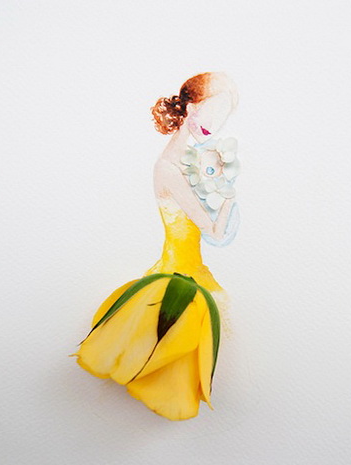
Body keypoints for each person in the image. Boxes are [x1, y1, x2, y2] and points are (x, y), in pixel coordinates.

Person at [74, 72, 240, 421]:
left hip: (184, 270)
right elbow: (213, 231)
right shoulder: (170, 169)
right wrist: (227, 198)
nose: (217, 124)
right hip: (179, 275)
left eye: (225, 116)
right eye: (215, 111)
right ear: (192, 107)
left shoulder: (190, 163)